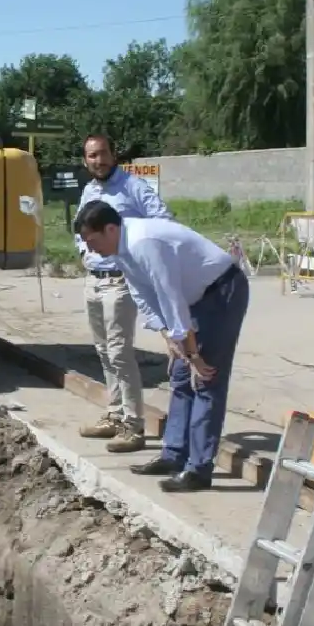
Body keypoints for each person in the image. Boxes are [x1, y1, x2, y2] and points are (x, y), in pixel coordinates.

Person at [73, 199, 249, 492]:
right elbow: (142, 294)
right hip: (193, 299)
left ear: (110, 229)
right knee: (180, 376)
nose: (91, 250)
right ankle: (174, 455)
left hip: (220, 292)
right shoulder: (120, 249)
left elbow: (170, 297)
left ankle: (198, 470)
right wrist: (168, 335)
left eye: (93, 241)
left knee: (205, 378)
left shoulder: (144, 243)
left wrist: (192, 353)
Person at [72, 134, 173, 453]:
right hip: (93, 280)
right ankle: (114, 415)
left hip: (121, 280)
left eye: (103, 154)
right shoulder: (89, 190)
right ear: (85, 160)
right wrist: (83, 252)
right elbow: (80, 227)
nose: (98, 160)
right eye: (92, 156)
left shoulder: (133, 187)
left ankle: (133, 425)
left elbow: (163, 220)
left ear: (113, 155)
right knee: (103, 351)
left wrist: (132, 252)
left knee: (119, 352)